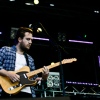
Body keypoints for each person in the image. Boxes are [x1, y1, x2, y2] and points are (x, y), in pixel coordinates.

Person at [0, 27, 49, 98]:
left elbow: (33, 80)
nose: (30, 42)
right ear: (20, 39)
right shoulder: (5, 50)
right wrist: (8, 74)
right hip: (9, 91)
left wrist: (44, 78)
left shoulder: (30, 59)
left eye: (31, 40)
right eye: (28, 39)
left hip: (27, 93)